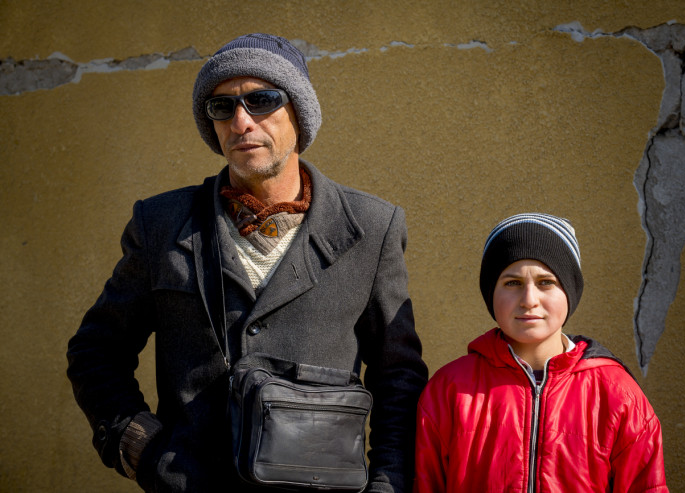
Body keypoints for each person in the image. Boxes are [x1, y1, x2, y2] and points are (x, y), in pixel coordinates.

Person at [67, 33, 428, 492]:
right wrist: (141, 447)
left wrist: (386, 485)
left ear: (299, 112)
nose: (241, 121)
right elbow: (96, 352)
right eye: (222, 107)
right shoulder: (161, 225)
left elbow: (398, 379)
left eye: (261, 101)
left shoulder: (371, 229)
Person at [414, 213, 668, 492]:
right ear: (490, 293)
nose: (529, 300)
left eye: (546, 282)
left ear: (570, 291)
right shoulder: (448, 390)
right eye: (512, 283)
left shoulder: (617, 394)